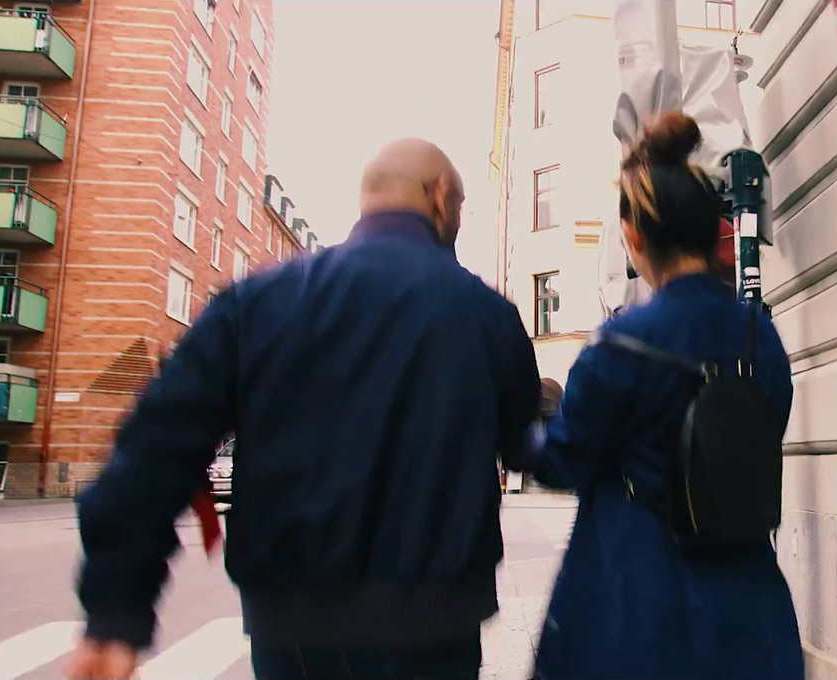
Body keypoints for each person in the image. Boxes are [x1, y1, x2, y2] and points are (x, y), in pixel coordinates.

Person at [68, 138, 541, 680]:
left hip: (292, 620)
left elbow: (157, 447)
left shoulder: (258, 302)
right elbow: (520, 442)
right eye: (459, 206)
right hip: (433, 621)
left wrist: (114, 610)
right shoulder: (490, 318)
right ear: (439, 196)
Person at [512, 112, 804, 680]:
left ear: (634, 237)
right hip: (749, 601)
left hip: (639, 599)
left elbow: (562, 460)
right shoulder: (759, 334)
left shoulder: (621, 343)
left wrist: (519, 427)